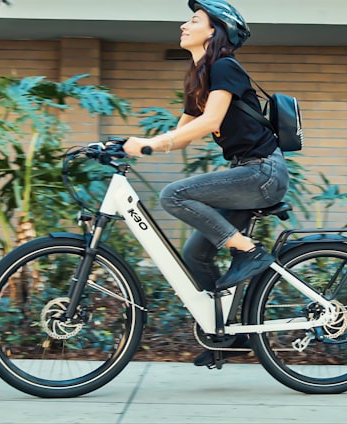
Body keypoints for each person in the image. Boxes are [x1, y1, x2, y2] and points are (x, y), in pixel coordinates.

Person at [123, 0, 289, 366]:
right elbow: (182, 134)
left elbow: (210, 118)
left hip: (263, 173)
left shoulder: (224, 67)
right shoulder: (200, 76)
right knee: (196, 255)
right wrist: (132, 145)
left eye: (194, 20)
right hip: (248, 172)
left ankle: (249, 251)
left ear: (214, 31)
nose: (184, 25)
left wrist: (153, 143)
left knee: (174, 194)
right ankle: (227, 335)